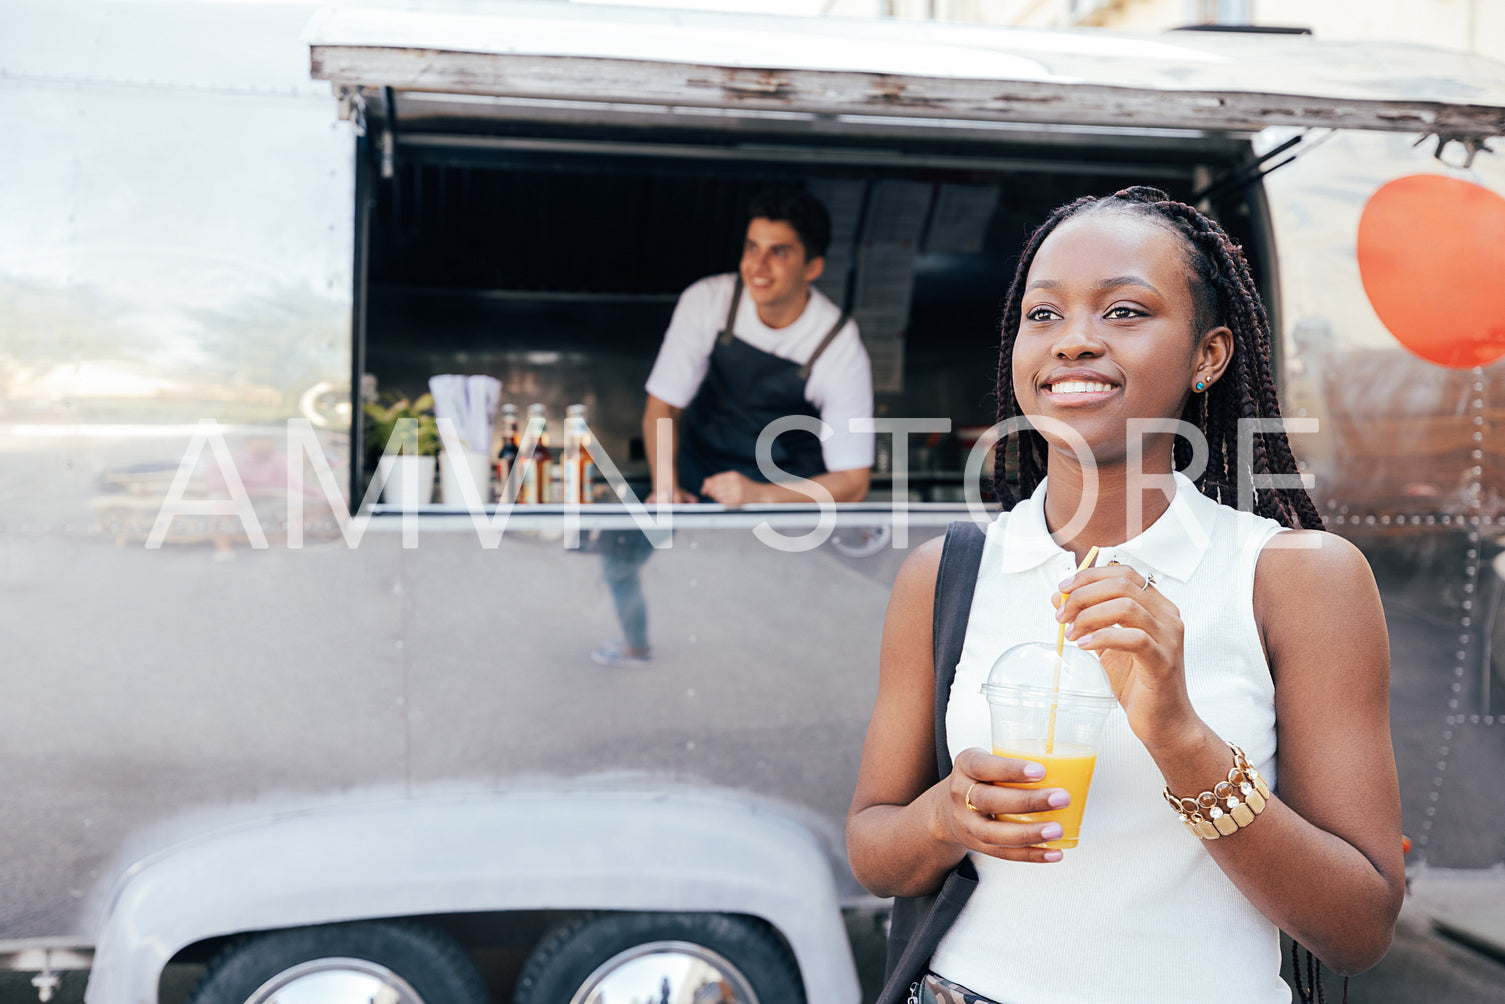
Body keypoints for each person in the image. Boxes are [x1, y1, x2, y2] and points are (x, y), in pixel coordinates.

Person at [846, 187, 1403, 1003]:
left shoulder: (1296, 579)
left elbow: (1357, 928)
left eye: (1124, 312)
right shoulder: (946, 573)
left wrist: (1179, 737)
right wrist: (945, 817)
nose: (1072, 342)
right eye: (1043, 315)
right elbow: (871, 846)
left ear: (1208, 356)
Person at [592, 187, 875, 667]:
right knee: (620, 551)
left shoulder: (837, 344)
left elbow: (852, 482)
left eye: (778, 252)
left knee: (765, 613)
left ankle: (757, 673)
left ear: (812, 268)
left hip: (786, 494)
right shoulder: (709, 302)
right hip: (698, 471)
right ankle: (636, 643)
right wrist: (665, 489)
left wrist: (759, 494)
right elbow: (662, 405)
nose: (758, 265)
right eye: (751, 247)